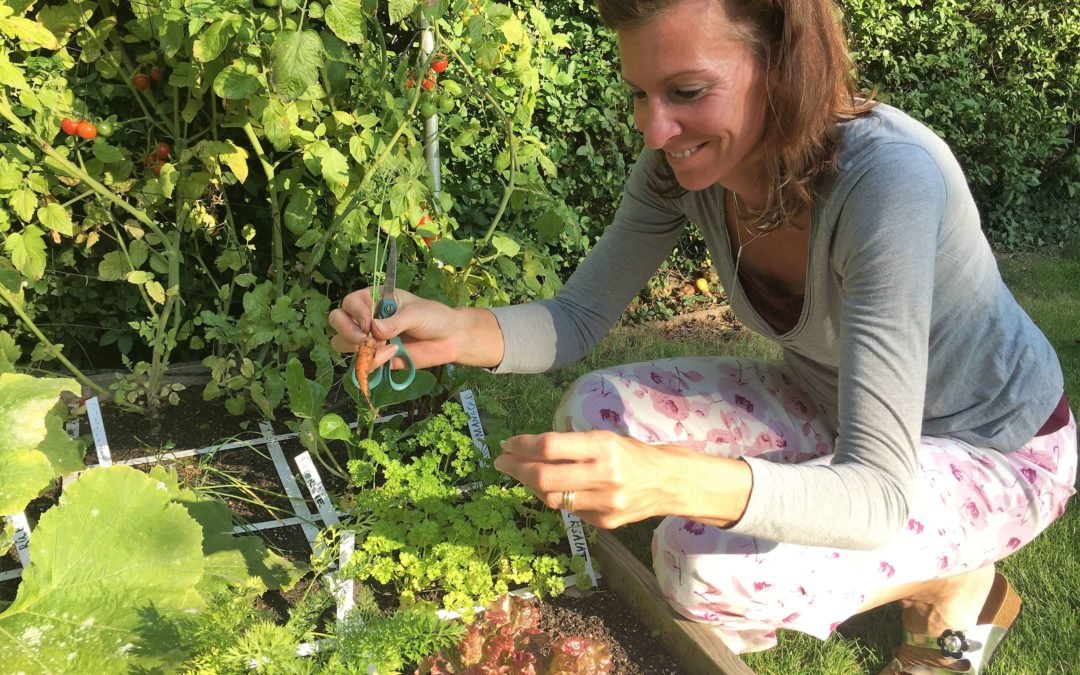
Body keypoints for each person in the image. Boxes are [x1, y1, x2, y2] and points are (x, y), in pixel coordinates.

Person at [329, 0, 1076, 671]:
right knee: (595, 413)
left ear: (783, 63)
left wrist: (667, 479)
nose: (654, 129)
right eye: (641, 96)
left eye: (686, 92)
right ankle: (883, 556)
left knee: (695, 561)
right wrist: (453, 329)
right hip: (835, 406)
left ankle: (957, 584)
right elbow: (575, 319)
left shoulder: (887, 183)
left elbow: (877, 491)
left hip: (993, 446)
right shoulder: (680, 167)